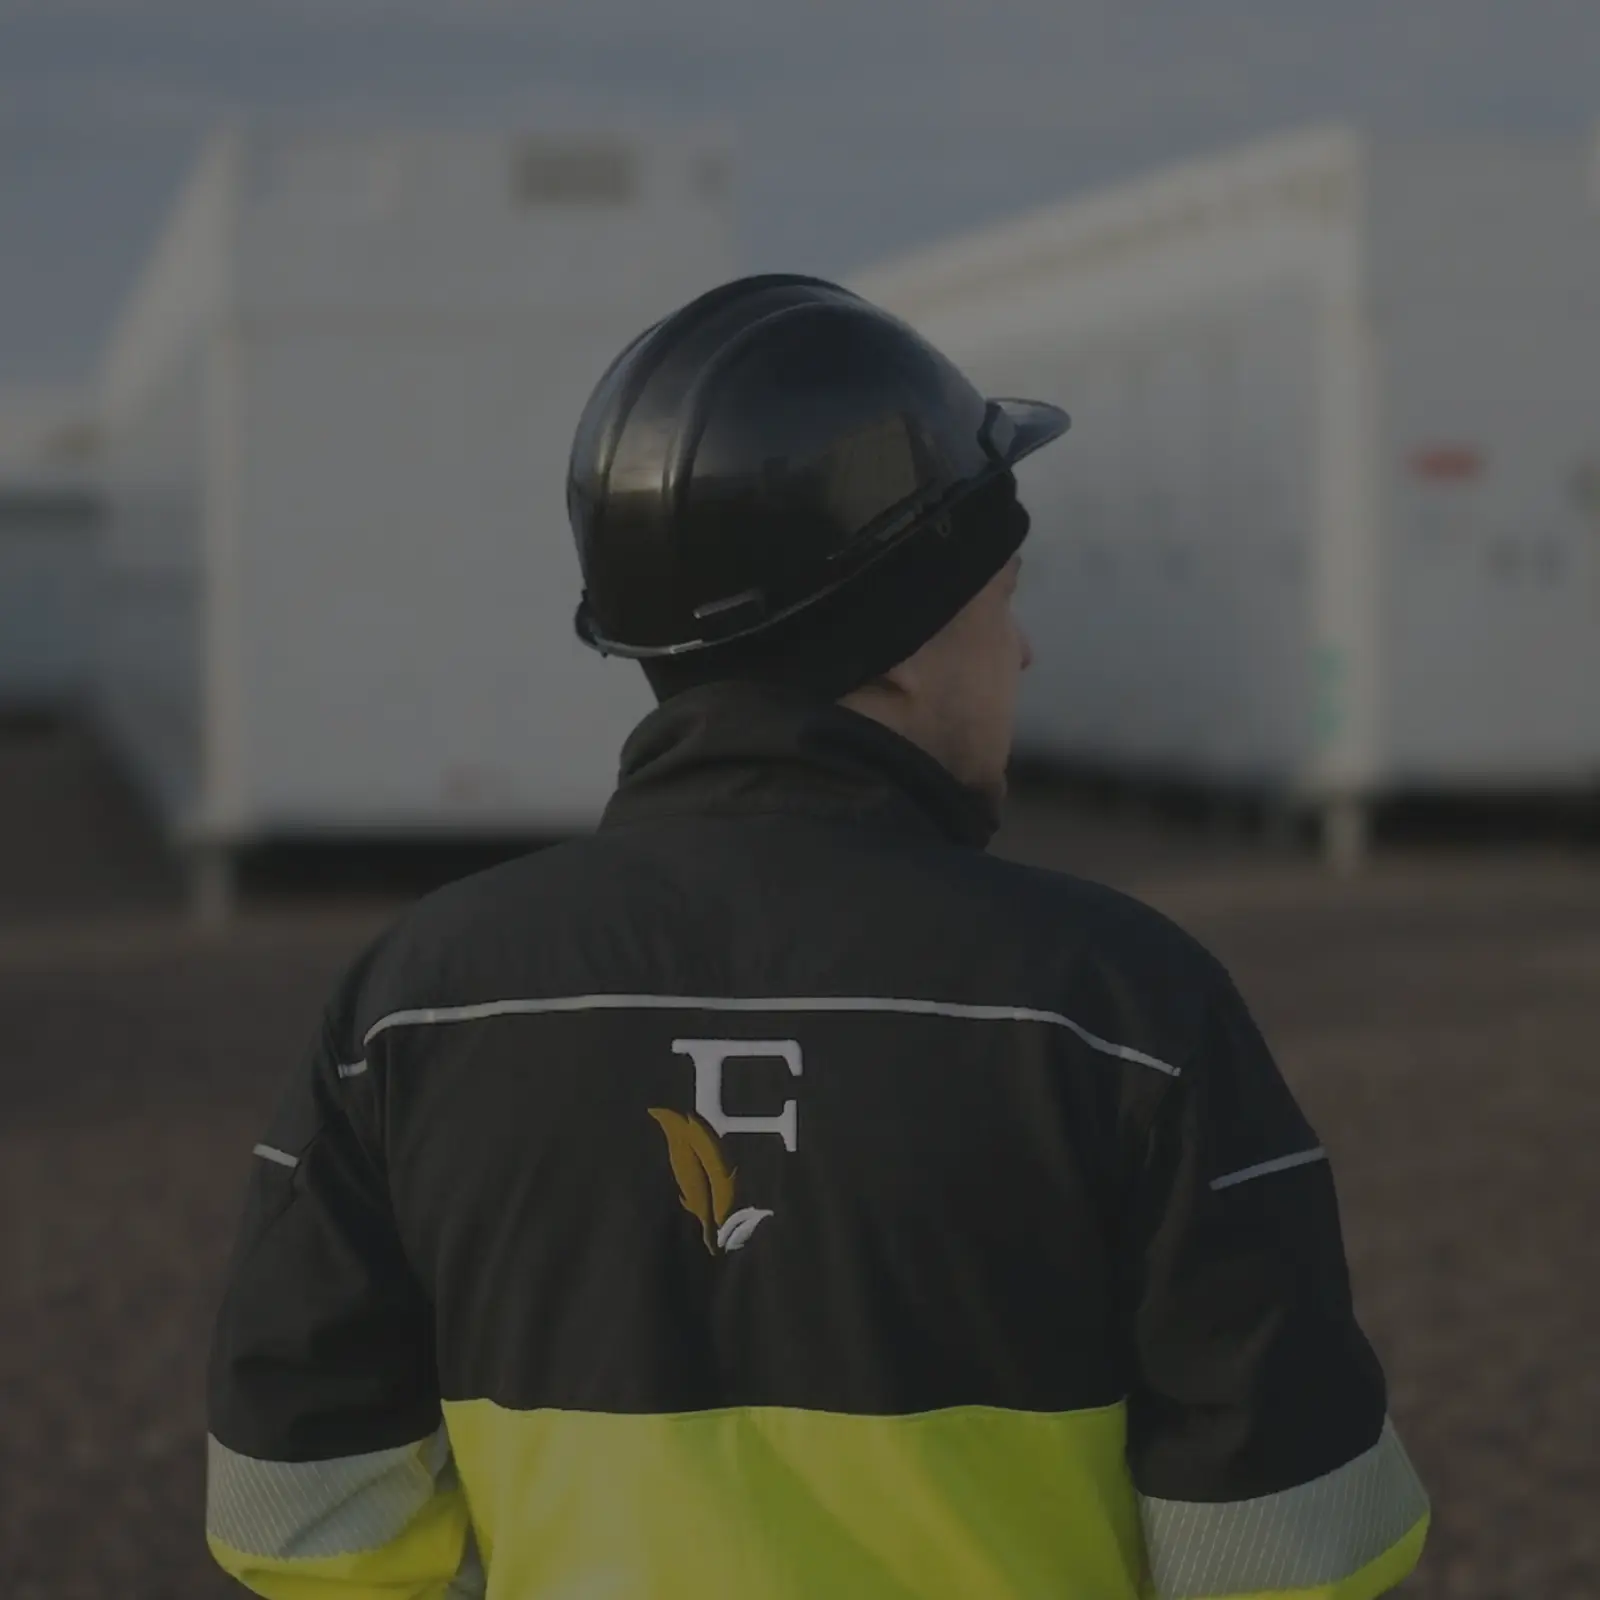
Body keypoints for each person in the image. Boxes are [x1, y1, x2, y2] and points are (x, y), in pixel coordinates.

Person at [206, 275, 1429, 1599]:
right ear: (899, 641)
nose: (1019, 654)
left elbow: (301, 1521)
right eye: (1002, 594)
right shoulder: (1126, 1013)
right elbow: (1296, 1559)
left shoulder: (410, 1013)